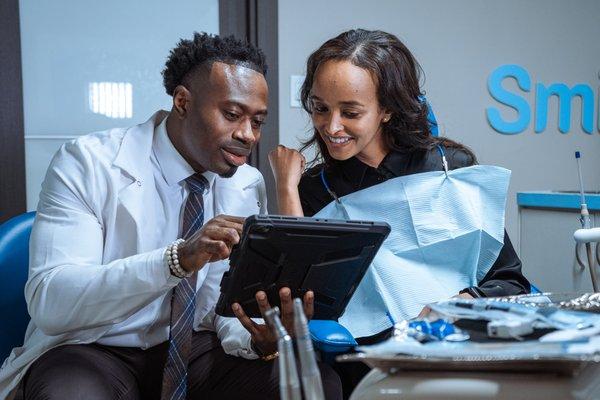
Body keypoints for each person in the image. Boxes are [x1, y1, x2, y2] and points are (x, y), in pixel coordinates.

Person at [0, 32, 341, 400]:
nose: (247, 134)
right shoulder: (87, 162)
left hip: (193, 346)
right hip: (93, 345)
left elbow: (218, 307)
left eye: (257, 121)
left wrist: (258, 338)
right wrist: (177, 260)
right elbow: (53, 303)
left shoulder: (245, 183)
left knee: (313, 384)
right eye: (231, 114)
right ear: (182, 102)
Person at [268, 28, 530, 397]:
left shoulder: (448, 171)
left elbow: (510, 282)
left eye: (351, 112)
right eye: (320, 107)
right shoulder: (314, 190)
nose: (331, 126)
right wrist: (285, 190)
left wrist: (456, 305)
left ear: (387, 109)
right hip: (370, 364)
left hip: (456, 349)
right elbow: (300, 300)